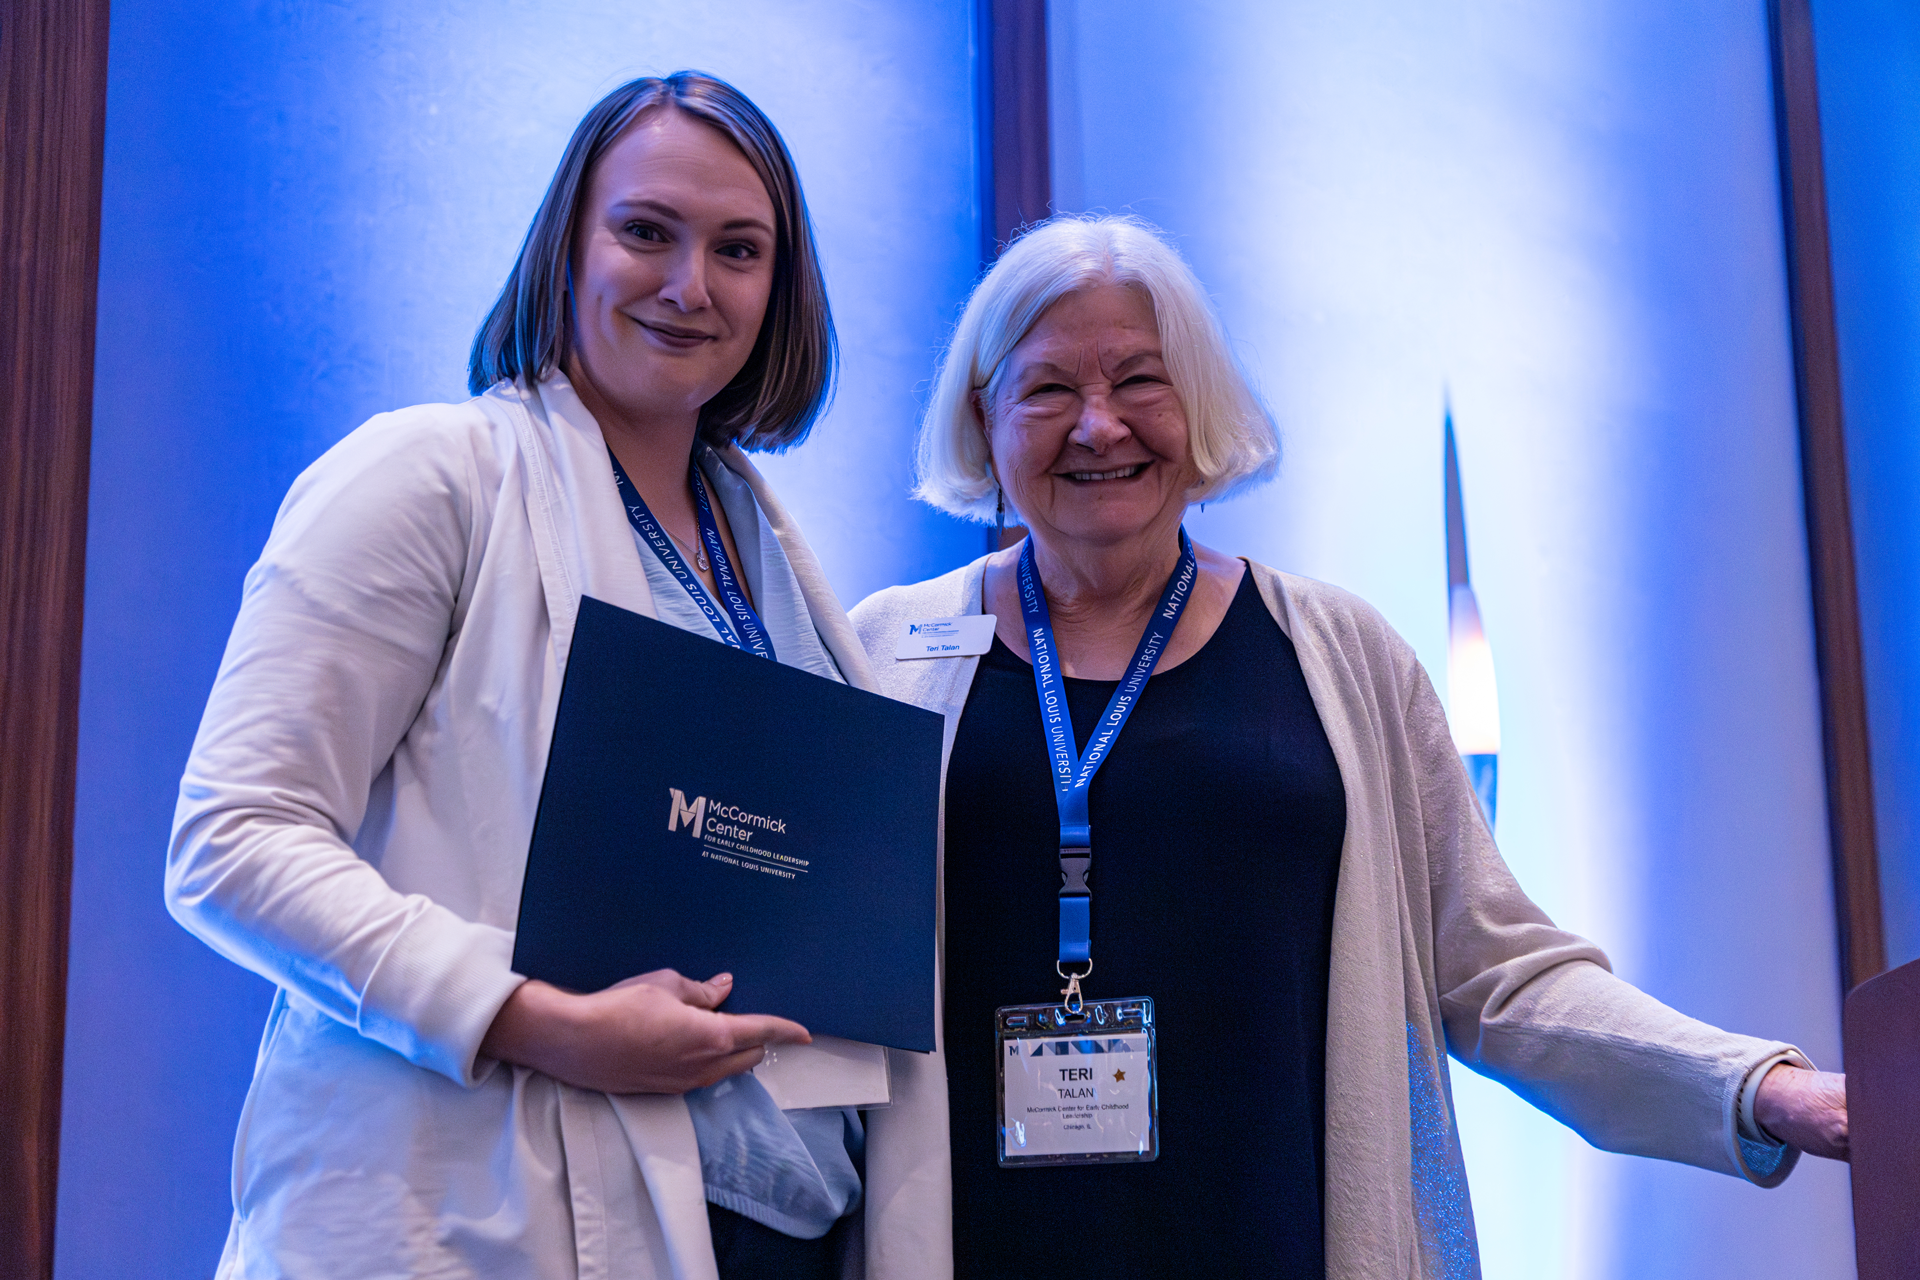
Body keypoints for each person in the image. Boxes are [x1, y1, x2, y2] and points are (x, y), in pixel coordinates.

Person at [849, 214, 1850, 1278]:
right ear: (983, 416)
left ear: (1200, 400)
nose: (1099, 426)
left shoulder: (1341, 657)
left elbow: (1499, 972)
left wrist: (1763, 1088)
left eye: (1141, 380)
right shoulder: (883, 653)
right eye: (1048, 388)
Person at [166, 72, 944, 1279]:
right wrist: (538, 1019)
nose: (690, 284)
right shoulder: (429, 478)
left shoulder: (773, 559)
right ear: (567, 245)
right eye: (646, 231)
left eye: (738, 250)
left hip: (780, 1227)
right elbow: (231, 841)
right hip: (491, 1211)